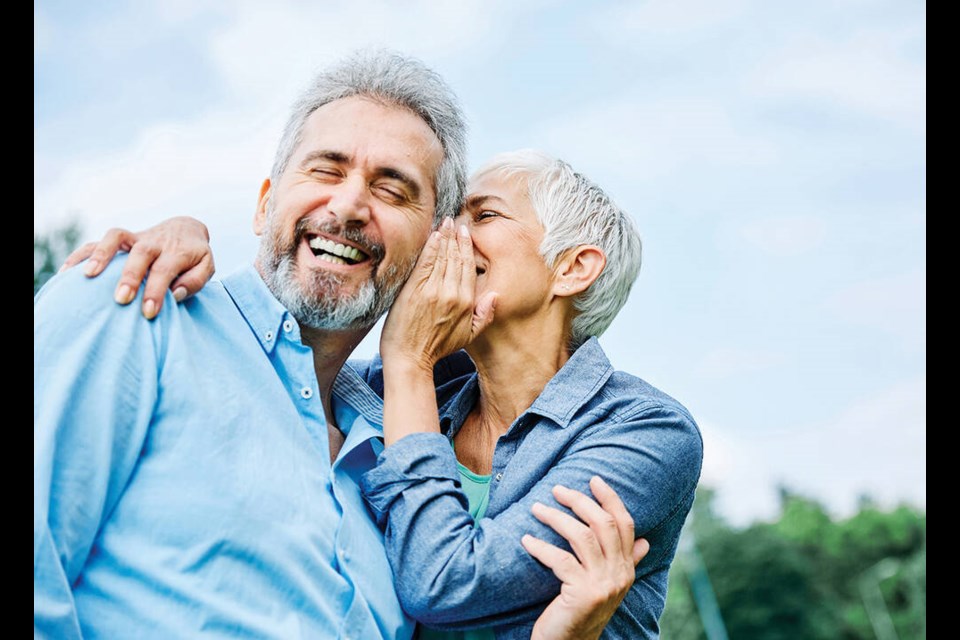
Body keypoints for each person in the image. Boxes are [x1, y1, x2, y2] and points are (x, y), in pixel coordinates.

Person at [36, 50, 642, 639]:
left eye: (392, 189)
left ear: (434, 245)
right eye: (325, 170)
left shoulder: (400, 462)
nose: (349, 205)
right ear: (264, 203)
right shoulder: (130, 307)